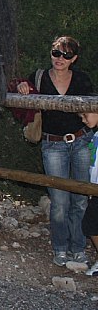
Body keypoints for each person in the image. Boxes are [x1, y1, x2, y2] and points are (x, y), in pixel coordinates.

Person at [16, 36, 94, 267]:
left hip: (80, 142)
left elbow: (91, 109)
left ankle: (78, 248)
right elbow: (20, 91)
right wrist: (22, 87)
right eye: (56, 53)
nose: (60, 59)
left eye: (66, 55)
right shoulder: (38, 78)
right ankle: (60, 248)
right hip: (53, 145)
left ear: (74, 59)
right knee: (59, 202)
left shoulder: (82, 79)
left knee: (80, 199)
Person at [79, 112, 98, 276]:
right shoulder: (94, 135)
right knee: (90, 224)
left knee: (91, 224)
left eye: (85, 115)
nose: (83, 119)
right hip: (94, 188)